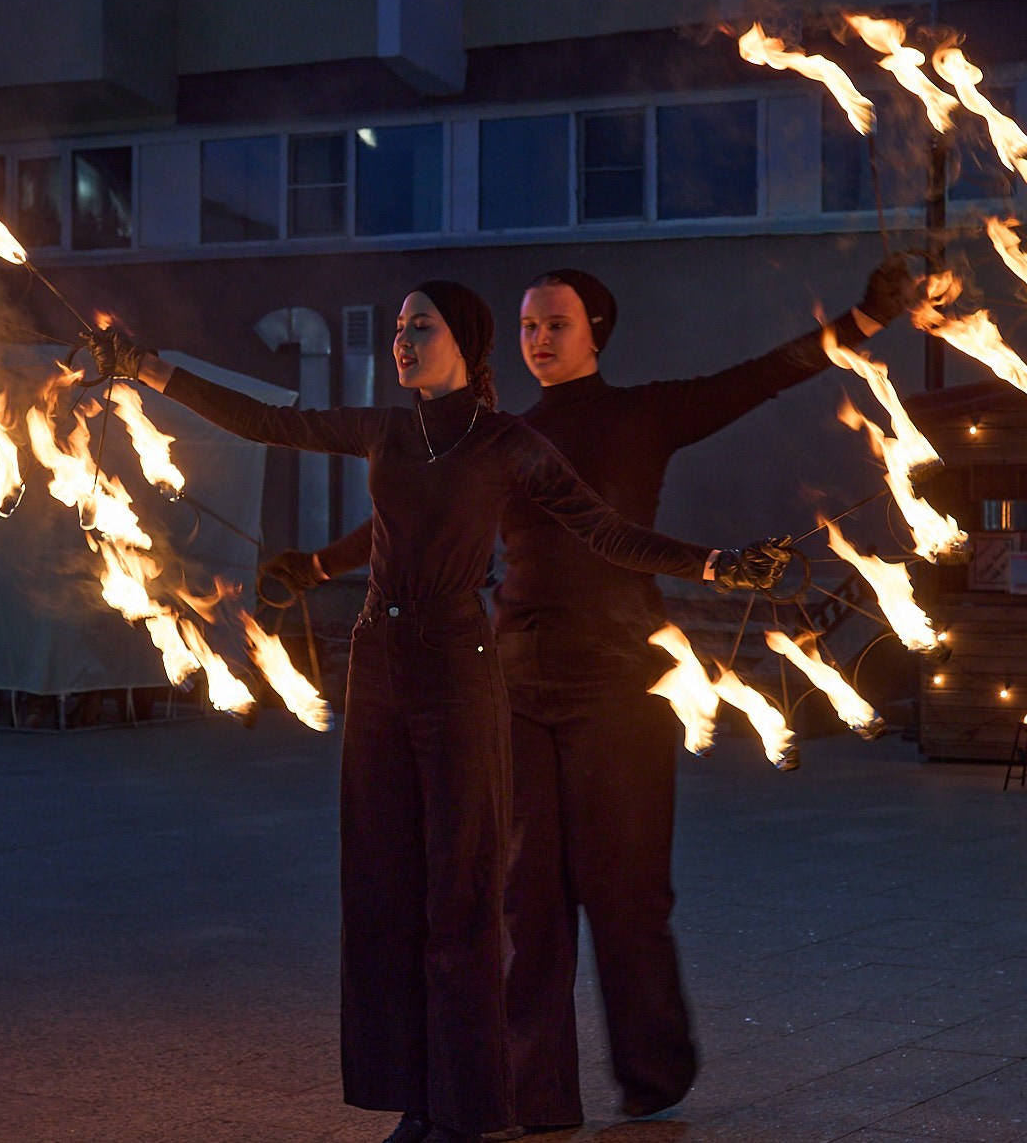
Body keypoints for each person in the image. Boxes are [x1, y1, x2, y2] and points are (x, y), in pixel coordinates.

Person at [84, 281, 790, 1143]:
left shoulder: (506, 442)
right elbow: (269, 422)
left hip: (459, 666)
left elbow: (605, 531)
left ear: (466, 342)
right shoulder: (386, 430)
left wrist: (718, 563)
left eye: (422, 325)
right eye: (398, 327)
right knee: (382, 890)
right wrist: (148, 368)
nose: (403, 338)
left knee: (461, 896)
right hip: (377, 665)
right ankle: (416, 1102)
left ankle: (469, 1109)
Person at [262, 261, 917, 1131]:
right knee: (524, 901)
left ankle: (653, 1074)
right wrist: (313, 567)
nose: (538, 339)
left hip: (620, 679)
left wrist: (866, 317)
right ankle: (535, 1094)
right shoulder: (499, 435)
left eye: (557, 324)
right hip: (514, 682)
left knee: (625, 890)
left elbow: (761, 376)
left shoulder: (646, 414)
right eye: (527, 326)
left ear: (596, 332)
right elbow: (405, 513)